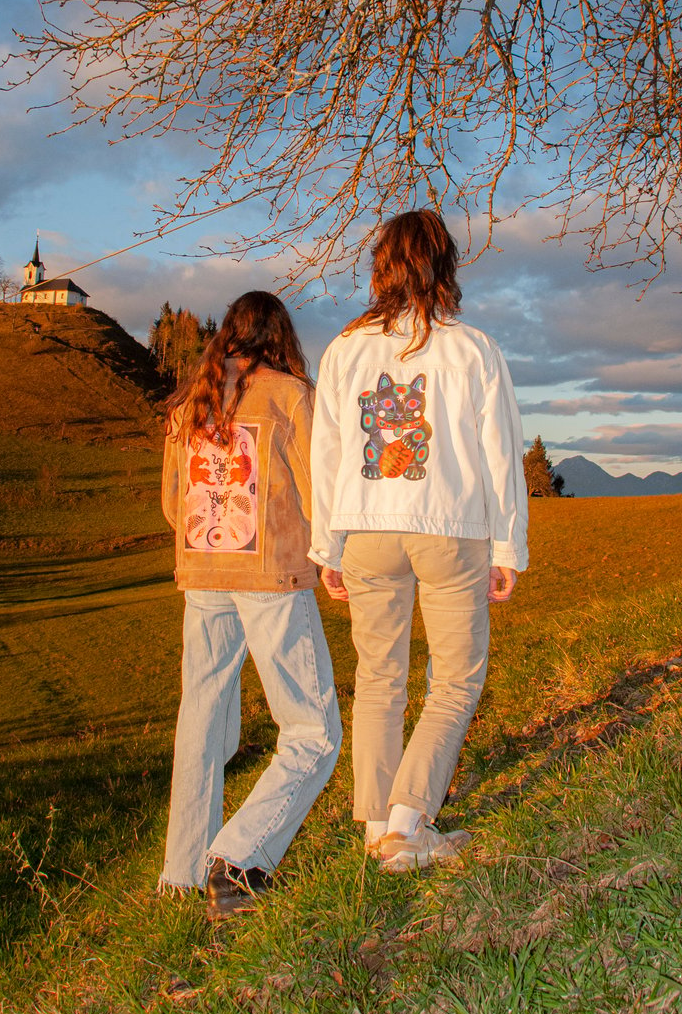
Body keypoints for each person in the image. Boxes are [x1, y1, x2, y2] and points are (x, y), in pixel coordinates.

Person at [309, 211, 528, 873]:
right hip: (449, 528)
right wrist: (507, 546)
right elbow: (500, 454)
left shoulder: (345, 349)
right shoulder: (473, 348)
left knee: (378, 680)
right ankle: (408, 826)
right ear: (444, 265)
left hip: (368, 527)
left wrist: (329, 544)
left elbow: (328, 452)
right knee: (455, 680)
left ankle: (378, 825)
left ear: (381, 266)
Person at [158, 291, 341, 918]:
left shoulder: (190, 403)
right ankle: (239, 857)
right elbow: (320, 491)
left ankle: (179, 872)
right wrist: (329, 553)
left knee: (201, 719)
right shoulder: (290, 394)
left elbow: (170, 503)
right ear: (280, 336)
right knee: (313, 730)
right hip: (271, 577)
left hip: (203, 572)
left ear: (227, 334)